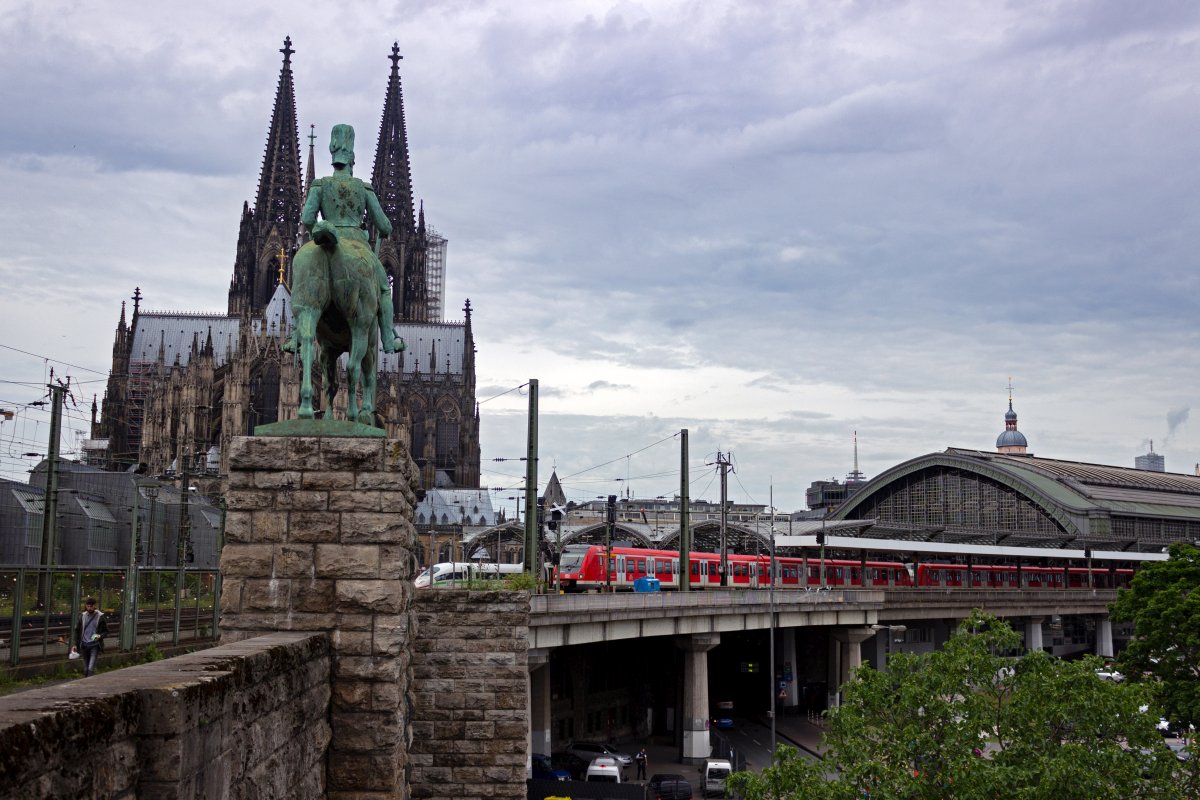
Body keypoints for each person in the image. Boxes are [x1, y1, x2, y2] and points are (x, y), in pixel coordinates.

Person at [283, 123, 405, 355]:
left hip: (325, 241)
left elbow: (307, 217)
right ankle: (388, 337)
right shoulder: (363, 188)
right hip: (358, 244)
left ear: (333, 156)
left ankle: (297, 334)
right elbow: (384, 225)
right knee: (383, 289)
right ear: (352, 158)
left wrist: (317, 230)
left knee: (304, 283)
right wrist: (385, 229)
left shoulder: (320, 185)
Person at [72, 597, 108, 677]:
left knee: (90, 668)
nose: (89, 608)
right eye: (88, 606)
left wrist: (99, 636)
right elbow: (77, 631)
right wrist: (75, 644)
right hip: (84, 645)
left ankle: (89, 681)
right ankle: (86, 681)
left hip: (94, 645)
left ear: (95, 606)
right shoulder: (82, 616)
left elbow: (106, 631)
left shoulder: (100, 617)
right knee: (85, 669)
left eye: (91, 606)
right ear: (86, 606)